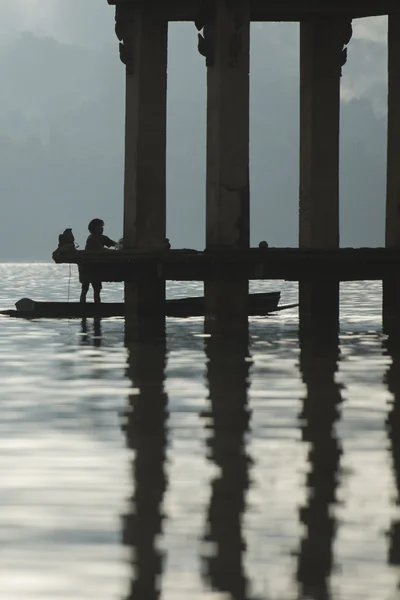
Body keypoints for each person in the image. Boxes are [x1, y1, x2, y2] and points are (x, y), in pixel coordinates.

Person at [79, 218, 117, 304]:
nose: (102, 228)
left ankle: (97, 307)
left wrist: (120, 245)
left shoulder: (103, 238)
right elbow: (100, 249)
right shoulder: (91, 238)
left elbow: (114, 244)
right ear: (95, 228)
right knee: (85, 289)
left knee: (97, 289)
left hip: (96, 267)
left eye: (102, 227)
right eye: (100, 226)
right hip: (87, 266)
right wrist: (112, 251)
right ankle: (82, 307)